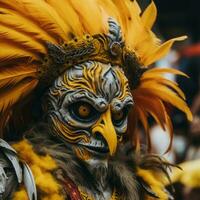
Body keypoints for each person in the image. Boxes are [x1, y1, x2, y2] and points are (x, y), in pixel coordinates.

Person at [0, 1, 192, 199]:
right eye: (84, 110)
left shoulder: (145, 187)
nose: (107, 134)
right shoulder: (15, 181)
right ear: (42, 108)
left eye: (118, 114)